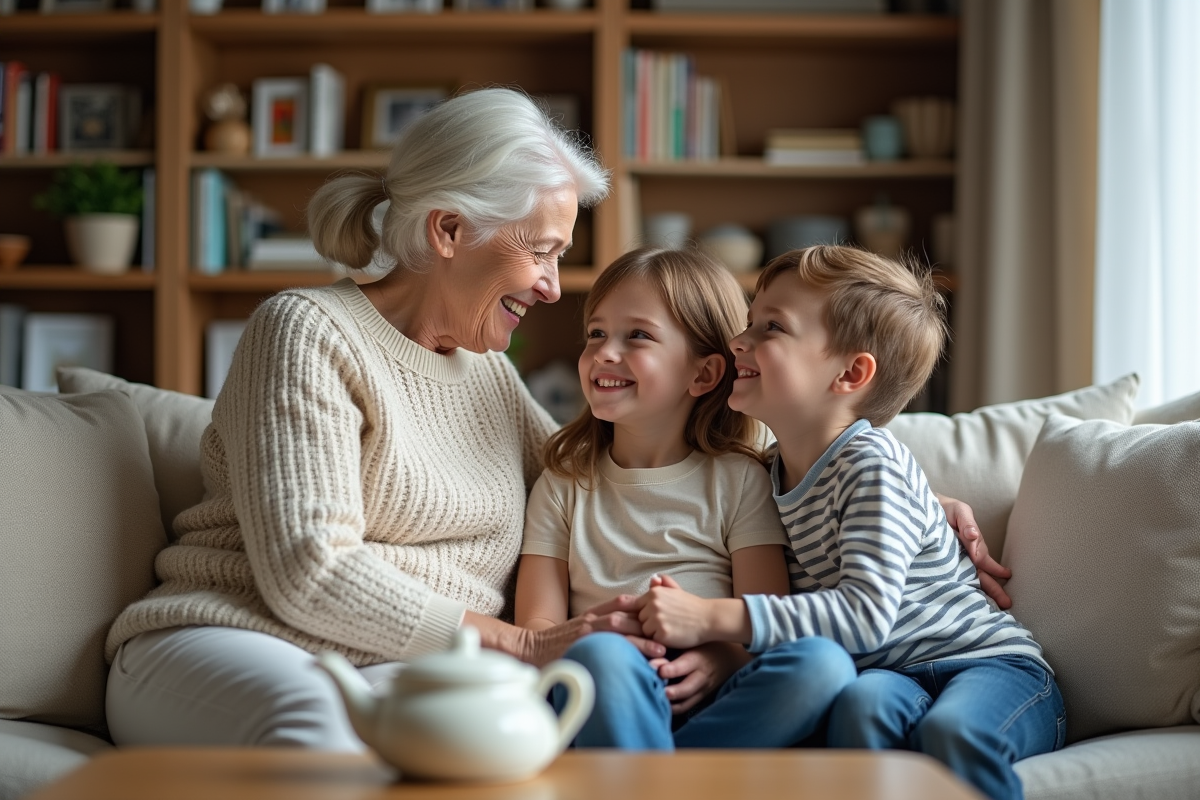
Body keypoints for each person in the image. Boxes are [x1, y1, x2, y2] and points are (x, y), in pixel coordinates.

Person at [102, 88, 664, 752]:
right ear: (449, 230)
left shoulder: (490, 374)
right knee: (327, 730)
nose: (553, 286)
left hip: (409, 670)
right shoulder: (308, 332)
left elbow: (598, 489)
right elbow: (310, 574)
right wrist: (521, 642)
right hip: (233, 637)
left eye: (559, 256)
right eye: (541, 251)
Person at [630, 245, 1064, 800]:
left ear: (850, 373)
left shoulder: (871, 462)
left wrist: (712, 618)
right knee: (859, 710)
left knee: (951, 732)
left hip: (989, 667)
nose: (739, 341)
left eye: (772, 328)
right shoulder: (758, 476)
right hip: (890, 680)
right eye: (749, 322)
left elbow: (863, 615)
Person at [514, 247, 857, 750]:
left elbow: (767, 613)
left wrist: (724, 660)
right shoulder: (563, 484)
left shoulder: (740, 478)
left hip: (720, 695)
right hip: (610, 684)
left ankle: (664, 773)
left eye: (638, 336)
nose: (605, 353)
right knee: (602, 657)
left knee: (824, 665)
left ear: (703, 374)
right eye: (596, 334)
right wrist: (597, 639)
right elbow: (537, 627)